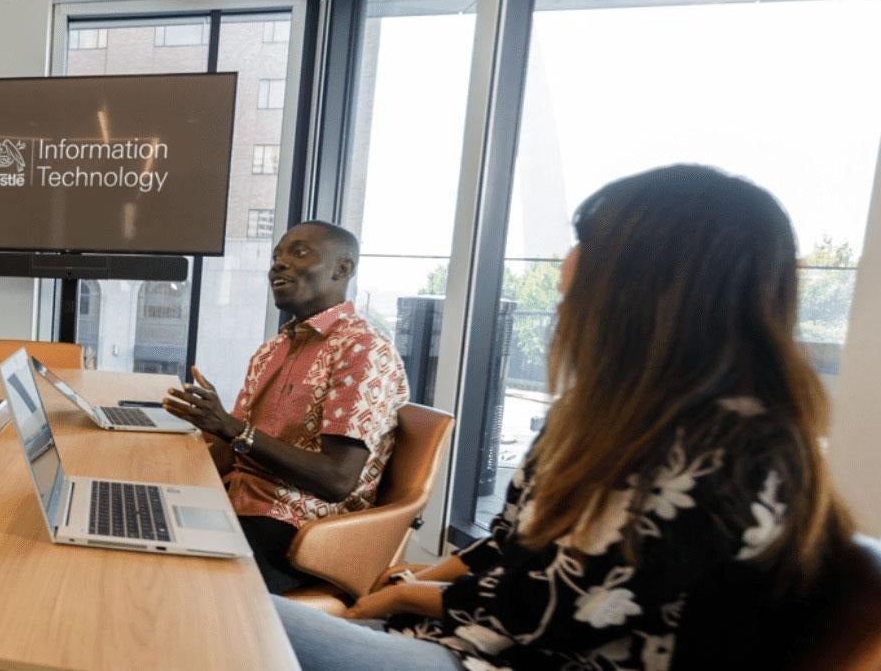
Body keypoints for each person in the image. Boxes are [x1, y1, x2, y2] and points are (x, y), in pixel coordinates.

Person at [272, 165, 853, 671]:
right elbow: (505, 546)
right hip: (459, 641)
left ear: (649, 282)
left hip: (495, 659)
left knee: (213, 610)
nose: (564, 268)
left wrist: (402, 595)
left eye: (588, 244)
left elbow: (546, 611)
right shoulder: (600, 416)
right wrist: (411, 587)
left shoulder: (731, 448)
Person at [161, 221, 408, 594]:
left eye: (299, 252)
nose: (278, 264)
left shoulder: (362, 349)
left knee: (164, 580)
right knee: (132, 533)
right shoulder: (271, 351)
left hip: (300, 531)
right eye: (276, 255)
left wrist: (233, 429)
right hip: (238, 501)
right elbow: (235, 452)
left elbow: (336, 481)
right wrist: (205, 432)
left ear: (342, 269)